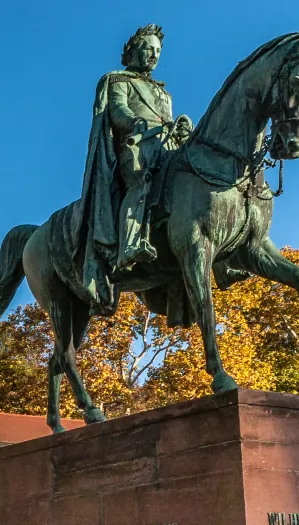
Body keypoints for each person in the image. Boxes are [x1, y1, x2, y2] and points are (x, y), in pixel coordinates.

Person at [72, 24, 193, 315]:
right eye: (148, 48)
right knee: (141, 180)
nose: (153, 55)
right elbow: (117, 110)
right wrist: (135, 124)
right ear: (132, 51)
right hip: (135, 147)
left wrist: (182, 127)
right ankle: (131, 244)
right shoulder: (117, 80)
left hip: (167, 146)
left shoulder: (163, 92)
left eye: (158, 51)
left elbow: (167, 119)